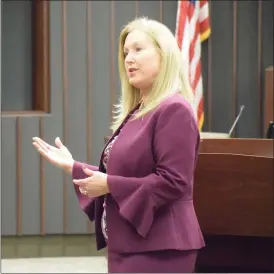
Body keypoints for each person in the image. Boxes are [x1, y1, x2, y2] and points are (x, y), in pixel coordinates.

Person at [32, 17, 205, 273]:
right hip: (130, 243)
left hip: (161, 249)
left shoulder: (174, 109)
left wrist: (109, 184)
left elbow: (173, 181)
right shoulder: (139, 111)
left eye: (138, 49)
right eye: (125, 53)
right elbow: (125, 178)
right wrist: (74, 167)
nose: (128, 59)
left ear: (164, 54)